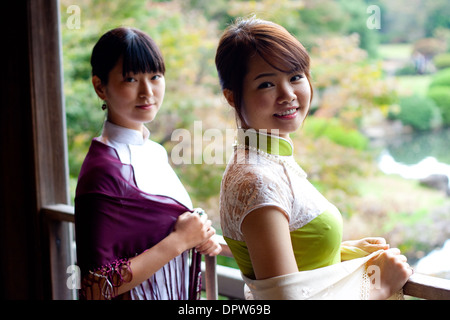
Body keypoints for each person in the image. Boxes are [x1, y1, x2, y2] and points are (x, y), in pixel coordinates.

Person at [216, 17, 412, 300]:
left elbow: (293, 252)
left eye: (295, 77)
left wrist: (339, 250)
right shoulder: (257, 180)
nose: (288, 95)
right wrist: (378, 287)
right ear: (232, 97)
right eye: (266, 84)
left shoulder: (265, 160)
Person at [74, 27, 221, 300]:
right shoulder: (104, 170)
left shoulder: (154, 151)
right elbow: (95, 286)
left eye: (155, 77)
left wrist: (197, 232)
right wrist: (180, 241)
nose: (147, 92)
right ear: (100, 86)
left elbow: (159, 227)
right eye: (130, 79)